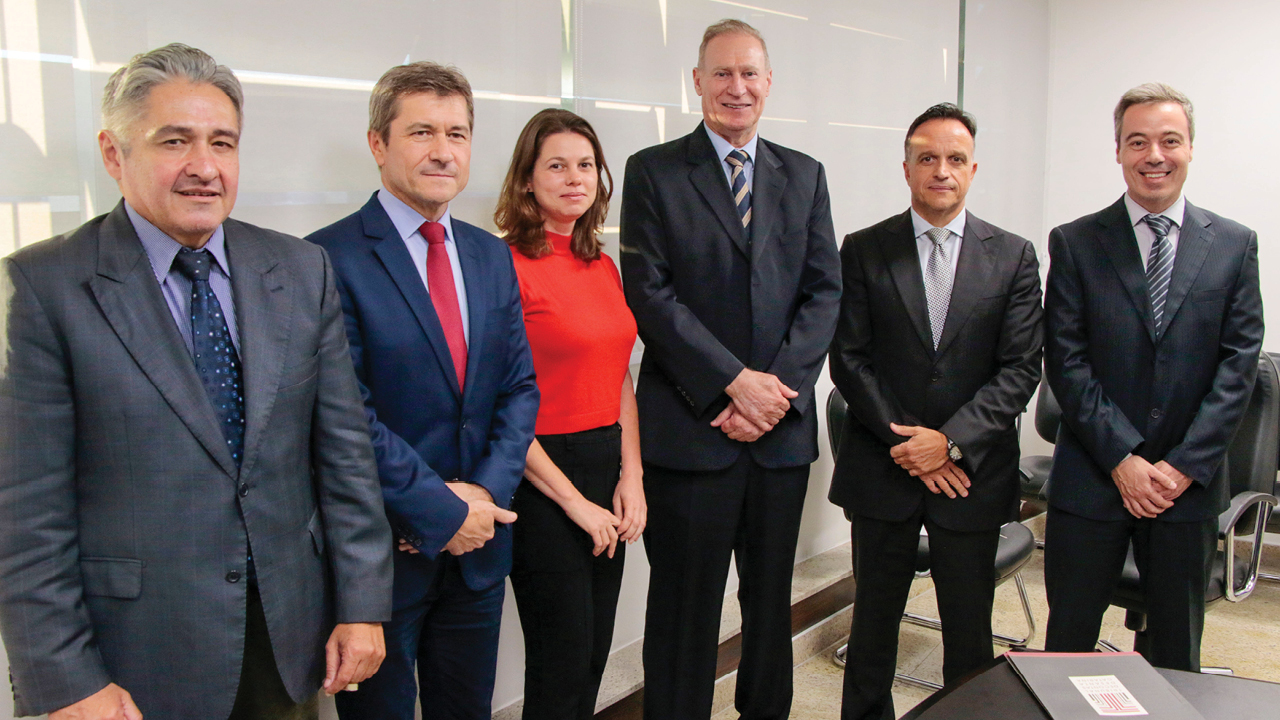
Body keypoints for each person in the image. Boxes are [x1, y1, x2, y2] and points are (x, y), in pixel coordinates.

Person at [0, 44, 393, 720]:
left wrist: (361, 605)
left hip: (288, 635)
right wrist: (65, 678)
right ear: (113, 153)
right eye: (174, 141)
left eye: (222, 143)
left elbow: (345, 456)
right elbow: (25, 511)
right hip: (135, 657)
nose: (204, 167)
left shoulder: (301, 270)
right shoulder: (43, 287)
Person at [619, 19, 841, 720]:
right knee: (684, 610)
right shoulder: (653, 171)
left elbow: (823, 292)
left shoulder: (804, 175)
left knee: (770, 602)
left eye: (749, 74)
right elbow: (649, 294)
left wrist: (772, 393)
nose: (736, 88)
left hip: (779, 437)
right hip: (691, 430)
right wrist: (730, 384)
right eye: (721, 73)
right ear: (697, 83)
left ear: (768, 84)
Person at [306, 61, 539, 720]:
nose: (443, 151)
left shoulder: (489, 254)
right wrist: (439, 509)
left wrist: (483, 501)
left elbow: (519, 389)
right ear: (379, 145)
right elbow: (344, 415)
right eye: (421, 132)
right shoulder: (326, 260)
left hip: (479, 554)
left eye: (458, 134)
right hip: (382, 564)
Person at [828, 103, 1043, 720]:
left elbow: (1021, 367)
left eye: (954, 159)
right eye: (928, 158)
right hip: (884, 469)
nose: (940, 170)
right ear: (906, 168)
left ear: (973, 169)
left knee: (969, 635)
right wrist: (912, 445)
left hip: (970, 472)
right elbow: (850, 359)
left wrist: (948, 443)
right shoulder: (865, 249)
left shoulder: (1014, 256)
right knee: (872, 629)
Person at [1042, 83, 1264, 671]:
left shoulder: (1235, 245)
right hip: (1093, 477)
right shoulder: (1076, 242)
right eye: (1137, 141)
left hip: (1184, 490)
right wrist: (1123, 458)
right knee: (1067, 648)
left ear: (1191, 148)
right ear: (1117, 150)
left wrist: (1182, 466)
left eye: (1169, 140)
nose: (1154, 155)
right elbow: (1066, 361)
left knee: (1174, 655)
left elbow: (1238, 367)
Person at [493, 108, 646, 720]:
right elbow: (499, 405)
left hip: (606, 463)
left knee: (593, 654)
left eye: (586, 166)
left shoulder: (602, 264)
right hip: (540, 479)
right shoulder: (502, 266)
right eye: (556, 165)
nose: (574, 178)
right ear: (527, 179)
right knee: (560, 660)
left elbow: (619, 378)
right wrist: (573, 502)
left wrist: (630, 477)